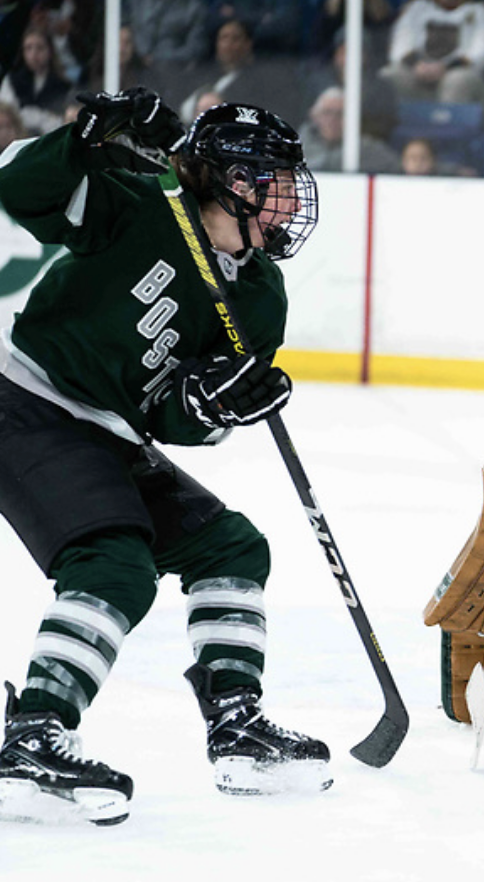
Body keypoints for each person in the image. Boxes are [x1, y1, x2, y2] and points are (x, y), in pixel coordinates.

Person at [0, 91, 330, 826]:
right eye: (272, 180)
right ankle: (32, 733)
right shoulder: (141, 206)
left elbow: (177, 419)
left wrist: (214, 409)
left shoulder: (262, 296)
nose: (288, 199)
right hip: (23, 398)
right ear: (232, 181)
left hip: (108, 428)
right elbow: (17, 186)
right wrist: (82, 136)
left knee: (231, 546)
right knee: (114, 563)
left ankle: (237, 727)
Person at [382, 0, 484, 103]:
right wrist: (416, 64)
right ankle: (395, 124)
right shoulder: (416, 8)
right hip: (419, 67)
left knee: (457, 80)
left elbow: (483, 50)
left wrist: (445, 67)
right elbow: (400, 44)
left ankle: (448, 127)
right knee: (389, 74)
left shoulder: (480, 11)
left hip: (458, 69)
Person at [0, 26, 75, 136]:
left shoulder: (63, 85)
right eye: (28, 48)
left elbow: (63, 121)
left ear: (50, 51)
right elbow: (6, 114)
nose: (34, 54)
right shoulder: (11, 80)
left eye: (40, 48)